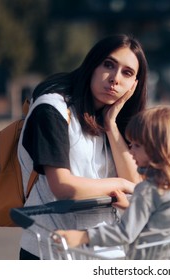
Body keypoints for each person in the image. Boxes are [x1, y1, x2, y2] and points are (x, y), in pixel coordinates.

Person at [17, 34, 149, 260]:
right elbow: (63, 186)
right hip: (50, 251)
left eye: (127, 73)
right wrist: (120, 183)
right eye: (109, 65)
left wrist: (111, 125)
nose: (115, 79)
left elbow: (134, 183)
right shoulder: (52, 108)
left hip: (104, 253)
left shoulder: (111, 120)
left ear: (134, 85)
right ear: (92, 65)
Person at [55, 105, 170, 259]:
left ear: (158, 150)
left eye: (136, 145)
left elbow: (125, 233)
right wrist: (130, 207)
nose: (130, 151)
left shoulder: (148, 189)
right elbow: (166, 219)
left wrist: (82, 237)